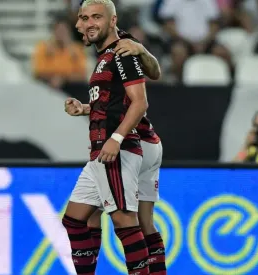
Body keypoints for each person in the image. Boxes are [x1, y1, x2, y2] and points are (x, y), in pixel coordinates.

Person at [70, 3, 167, 274]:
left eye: (94, 18)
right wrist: (86, 109)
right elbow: (115, 100)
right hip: (145, 142)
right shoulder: (114, 48)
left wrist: (116, 137)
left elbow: (141, 98)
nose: (86, 24)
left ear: (111, 20)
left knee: (122, 219)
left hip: (127, 143)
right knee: (90, 218)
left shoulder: (121, 48)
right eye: (83, 18)